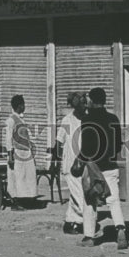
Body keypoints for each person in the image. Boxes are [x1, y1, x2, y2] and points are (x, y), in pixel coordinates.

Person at [76, 87, 129, 250]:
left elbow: (86, 148)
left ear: (91, 101)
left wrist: (80, 161)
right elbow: (119, 145)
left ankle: (89, 237)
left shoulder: (86, 120)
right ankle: (120, 230)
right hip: (111, 166)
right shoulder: (113, 118)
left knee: (90, 201)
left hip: (93, 168)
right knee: (113, 200)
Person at [54, 91, 86, 235]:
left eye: (85, 103)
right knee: (80, 196)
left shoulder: (86, 119)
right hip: (70, 164)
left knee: (76, 195)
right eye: (81, 103)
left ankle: (69, 223)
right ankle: (85, 223)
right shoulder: (67, 120)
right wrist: (56, 162)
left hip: (83, 163)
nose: (84, 106)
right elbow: (58, 141)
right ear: (75, 105)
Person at [5, 94, 37, 209]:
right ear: (20, 106)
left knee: (27, 177)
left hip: (25, 152)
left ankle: (26, 200)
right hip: (17, 153)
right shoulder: (11, 120)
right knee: (17, 178)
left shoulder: (21, 119)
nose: (25, 106)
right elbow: (8, 139)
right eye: (23, 104)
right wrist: (10, 156)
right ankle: (15, 202)